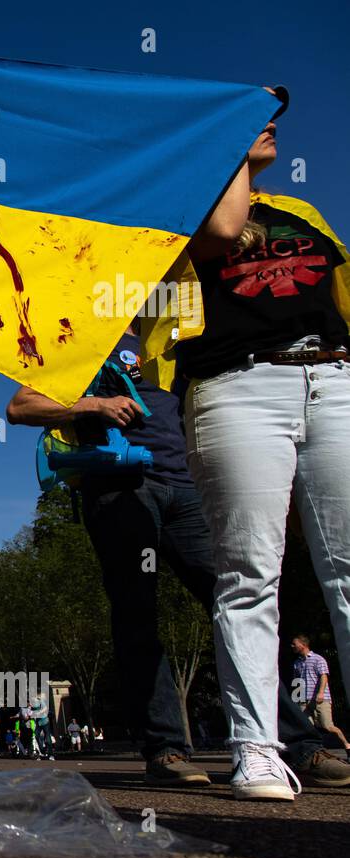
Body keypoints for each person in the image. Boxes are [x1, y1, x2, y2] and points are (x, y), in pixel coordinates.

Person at [8, 278, 349, 790]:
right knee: (137, 616)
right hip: (119, 487)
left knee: (242, 602)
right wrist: (90, 407)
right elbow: (19, 407)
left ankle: (297, 746)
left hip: (189, 487)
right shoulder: (76, 341)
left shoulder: (180, 338)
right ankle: (166, 750)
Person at [169, 87, 350, 800]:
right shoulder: (184, 207)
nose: (271, 126)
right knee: (249, 573)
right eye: (252, 120)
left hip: (331, 377)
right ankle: (256, 749)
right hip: (238, 386)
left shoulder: (304, 215)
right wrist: (230, 152)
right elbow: (219, 231)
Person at [291, 635, 350, 752]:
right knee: (306, 726)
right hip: (303, 699)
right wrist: (295, 697)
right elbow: (297, 681)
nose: (292, 646)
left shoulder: (318, 659)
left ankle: (347, 745)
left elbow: (323, 676)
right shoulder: (297, 663)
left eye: (294, 643)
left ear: (303, 645)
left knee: (328, 726)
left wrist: (321, 692)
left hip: (320, 699)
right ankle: (315, 751)